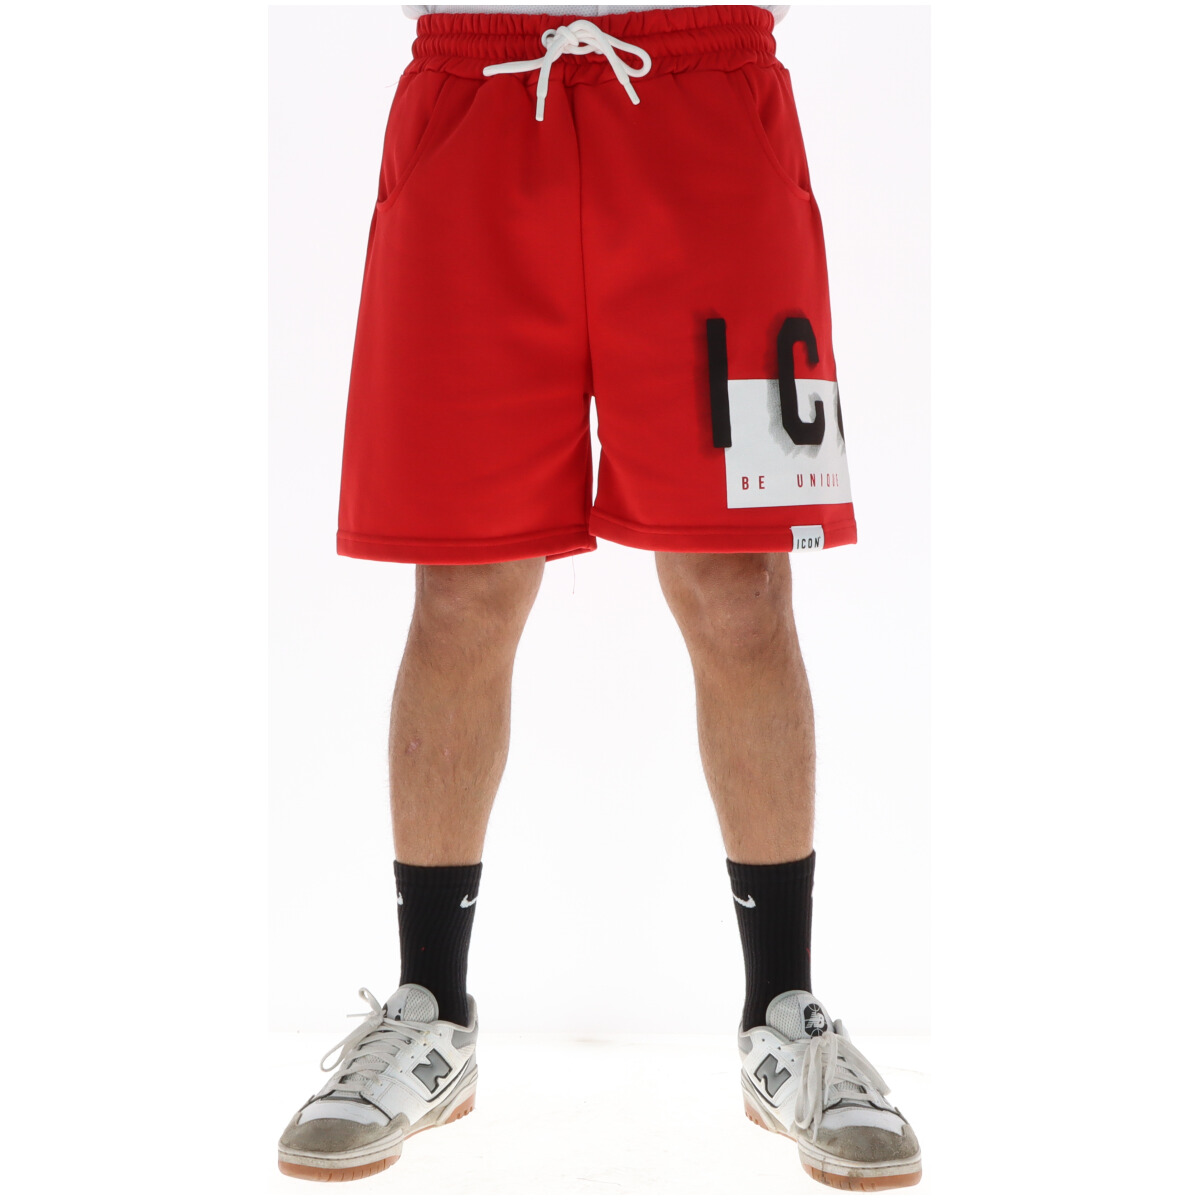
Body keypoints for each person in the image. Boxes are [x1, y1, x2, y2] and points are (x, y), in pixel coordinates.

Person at [278, 5, 921, 1190]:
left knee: (742, 586)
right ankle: (431, 1011)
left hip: (709, 99)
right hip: (475, 98)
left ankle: (784, 1018)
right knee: (463, 583)